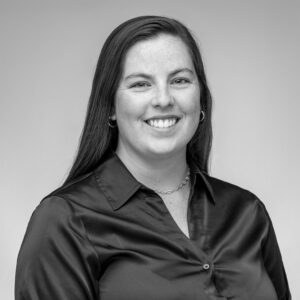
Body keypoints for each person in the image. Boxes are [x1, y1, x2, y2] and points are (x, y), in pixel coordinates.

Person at [15, 15, 291, 300]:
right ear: (110, 105)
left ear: (201, 100)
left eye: (180, 80)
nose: (163, 99)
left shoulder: (246, 211)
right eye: (140, 84)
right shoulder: (65, 220)